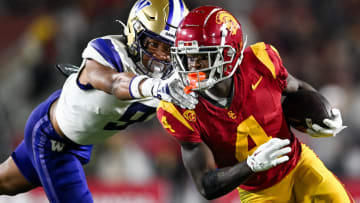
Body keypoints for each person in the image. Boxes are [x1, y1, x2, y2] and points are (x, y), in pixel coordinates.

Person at [0, 0, 196, 202]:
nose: (159, 56)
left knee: (6, 182)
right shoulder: (109, 51)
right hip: (54, 139)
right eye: (153, 44)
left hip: (82, 136)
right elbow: (115, 83)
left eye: (168, 48)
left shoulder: (177, 74)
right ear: (134, 33)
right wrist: (154, 87)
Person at [157, 6, 354, 202]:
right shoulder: (178, 107)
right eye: (188, 56)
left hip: (299, 163)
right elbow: (205, 184)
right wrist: (251, 165)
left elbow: (297, 88)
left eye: (202, 56)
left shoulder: (260, 61)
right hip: (258, 192)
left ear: (229, 54)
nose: (193, 66)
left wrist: (325, 114)